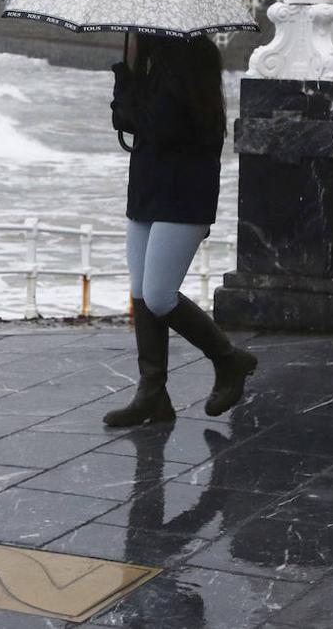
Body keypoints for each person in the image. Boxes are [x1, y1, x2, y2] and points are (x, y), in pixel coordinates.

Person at [104, 32, 258, 427]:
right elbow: (125, 120)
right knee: (140, 292)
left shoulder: (189, 60)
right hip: (148, 188)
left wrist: (129, 75)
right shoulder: (157, 62)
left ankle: (228, 360)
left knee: (158, 295)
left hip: (182, 193)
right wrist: (129, 73)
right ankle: (151, 394)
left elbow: (158, 125)